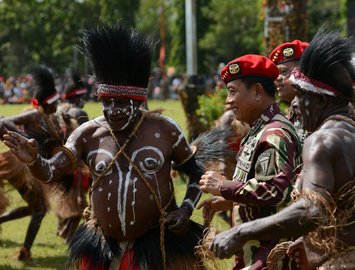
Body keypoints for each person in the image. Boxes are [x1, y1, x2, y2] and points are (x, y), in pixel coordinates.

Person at [3, 23, 207, 269]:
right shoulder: (87, 133)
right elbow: (50, 172)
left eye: (120, 102)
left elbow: (197, 173)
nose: (112, 110)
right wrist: (34, 161)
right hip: (103, 248)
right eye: (106, 102)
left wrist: (185, 209)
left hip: (157, 246)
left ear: (138, 100)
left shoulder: (165, 130)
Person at [206, 29, 355, 270]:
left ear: (321, 101)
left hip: (351, 263)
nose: (296, 105)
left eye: (301, 95)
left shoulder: (323, 139)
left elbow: (312, 211)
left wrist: (240, 232)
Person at [198, 54, 302, 269]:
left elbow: (274, 190)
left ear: (257, 91)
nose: (228, 100)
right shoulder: (258, 130)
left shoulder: (274, 133)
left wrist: (224, 187)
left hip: (271, 258)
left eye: (232, 91)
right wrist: (230, 201)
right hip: (255, 255)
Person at [0, 66, 63, 261]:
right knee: (40, 209)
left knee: (35, 208)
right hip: (19, 166)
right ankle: (24, 253)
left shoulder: (46, 118)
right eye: (55, 102)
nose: (58, 105)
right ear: (48, 102)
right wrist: (23, 139)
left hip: (28, 166)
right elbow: (5, 120)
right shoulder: (35, 114)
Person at [52, 71, 91, 242]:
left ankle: (61, 227)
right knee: (79, 201)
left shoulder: (56, 110)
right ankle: (68, 234)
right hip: (75, 162)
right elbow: (86, 140)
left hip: (56, 160)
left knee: (63, 195)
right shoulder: (79, 113)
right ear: (76, 97)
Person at [269, 40, 310, 144]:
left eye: (283, 72)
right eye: (276, 74)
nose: (277, 79)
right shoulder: (295, 111)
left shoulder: (318, 112)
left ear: (305, 73)